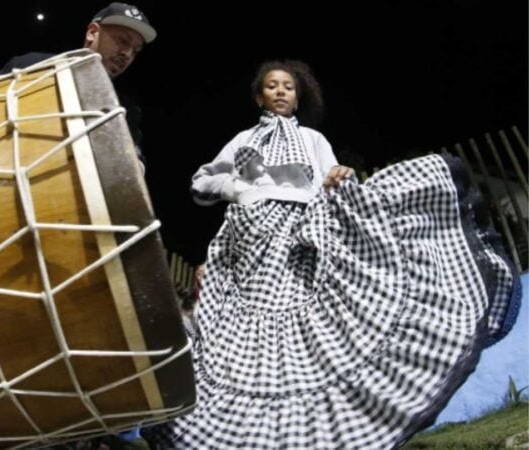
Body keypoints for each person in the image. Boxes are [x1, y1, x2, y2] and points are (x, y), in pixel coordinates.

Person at [157, 60, 518, 449]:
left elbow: (329, 177)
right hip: (249, 241)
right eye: (272, 86)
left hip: (300, 232)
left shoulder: (312, 139)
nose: (280, 91)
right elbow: (202, 181)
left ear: (298, 97)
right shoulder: (243, 140)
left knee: (308, 330)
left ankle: (319, 434)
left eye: (288, 87)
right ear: (259, 95)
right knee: (248, 338)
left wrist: (337, 176)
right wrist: (241, 191)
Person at [0, 2, 156, 169]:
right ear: (93, 33)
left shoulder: (125, 111)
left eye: (136, 50)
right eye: (123, 41)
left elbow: (133, 170)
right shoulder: (32, 66)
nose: (128, 54)